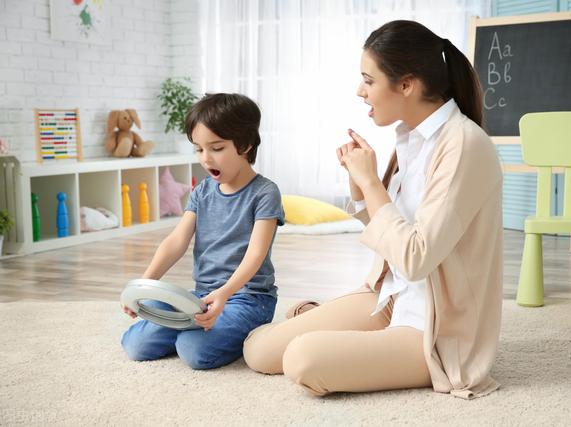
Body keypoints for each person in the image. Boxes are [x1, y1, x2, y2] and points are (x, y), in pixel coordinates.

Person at [243, 20, 503, 399]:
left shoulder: (463, 145)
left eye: (368, 80)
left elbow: (416, 258)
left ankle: (340, 337)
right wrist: (361, 187)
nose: (360, 91)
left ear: (407, 84)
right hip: (393, 296)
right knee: (260, 351)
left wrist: (371, 183)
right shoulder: (410, 139)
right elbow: (389, 238)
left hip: (434, 326)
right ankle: (340, 330)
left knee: (301, 358)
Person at [121, 93, 284, 370]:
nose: (206, 159)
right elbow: (176, 241)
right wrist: (143, 284)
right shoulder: (203, 191)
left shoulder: (265, 193)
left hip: (248, 298)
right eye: (198, 149)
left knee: (194, 351)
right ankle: (190, 329)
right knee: (136, 345)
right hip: (202, 296)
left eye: (216, 148)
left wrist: (224, 294)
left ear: (244, 145)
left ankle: (207, 333)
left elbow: (255, 254)